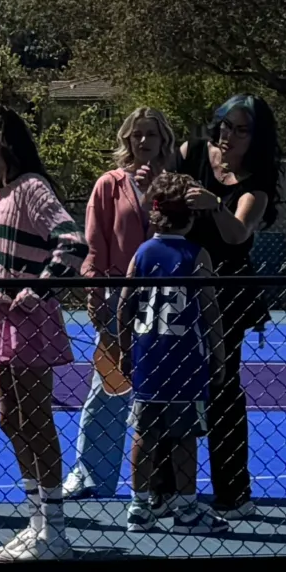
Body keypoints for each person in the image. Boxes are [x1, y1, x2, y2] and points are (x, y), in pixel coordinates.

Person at [0, 106, 87, 561]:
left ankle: (54, 533)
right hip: (0, 319)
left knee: (36, 419)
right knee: (10, 418)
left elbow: (72, 242)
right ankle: (36, 524)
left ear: (0, 139)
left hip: (30, 322)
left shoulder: (33, 187)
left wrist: (39, 289)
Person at [63, 106, 177, 501]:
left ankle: (161, 483)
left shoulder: (174, 186)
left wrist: (154, 195)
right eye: (137, 134)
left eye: (151, 134)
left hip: (166, 300)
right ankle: (90, 475)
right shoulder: (108, 185)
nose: (144, 141)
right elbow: (95, 244)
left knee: (164, 390)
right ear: (127, 139)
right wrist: (94, 292)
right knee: (108, 388)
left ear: (163, 140)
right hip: (119, 297)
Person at [180, 94, 282, 519]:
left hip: (227, 294)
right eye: (226, 125)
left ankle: (233, 492)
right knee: (173, 388)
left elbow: (238, 233)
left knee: (222, 387)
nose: (229, 136)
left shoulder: (256, 184)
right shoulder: (192, 153)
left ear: (256, 137)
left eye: (242, 130)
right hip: (181, 285)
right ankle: (169, 488)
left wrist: (214, 205)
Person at [115, 171, 228, 533]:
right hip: (185, 362)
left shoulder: (142, 253)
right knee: (185, 438)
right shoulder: (196, 254)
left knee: (144, 434)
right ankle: (186, 508)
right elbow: (210, 310)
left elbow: (124, 305)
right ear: (191, 216)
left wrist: (124, 349)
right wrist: (219, 355)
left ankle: (138, 506)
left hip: (149, 358)